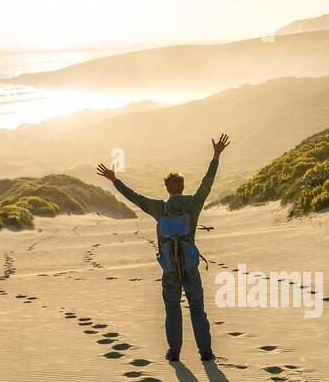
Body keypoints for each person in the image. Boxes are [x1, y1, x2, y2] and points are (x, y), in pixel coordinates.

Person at [97, 134, 231, 362]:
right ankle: (206, 354)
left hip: (169, 269)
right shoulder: (193, 204)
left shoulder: (159, 208)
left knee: (172, 309)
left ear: (167, 189)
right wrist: (216, 156)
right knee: (197, 308)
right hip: (190, 267)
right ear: (182, 187)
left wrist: (114, 180)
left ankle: (174, 353)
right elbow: (207, 184)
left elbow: (135, 198)